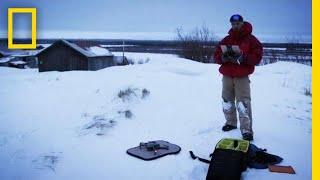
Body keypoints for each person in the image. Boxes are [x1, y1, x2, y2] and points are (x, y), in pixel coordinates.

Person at [214, 14, 263, 141]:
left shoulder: (252, 40)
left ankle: (246, 130)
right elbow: (217, 54)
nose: (235, 26)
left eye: (237, 24)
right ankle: (230, 123)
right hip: (227, 74)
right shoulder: (226, 39)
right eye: (233, 24)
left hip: (242, 75)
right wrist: (223, 57)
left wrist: (243, 57)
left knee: (243, 103)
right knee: (227, 100)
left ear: (242, 23)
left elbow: (257, 57)